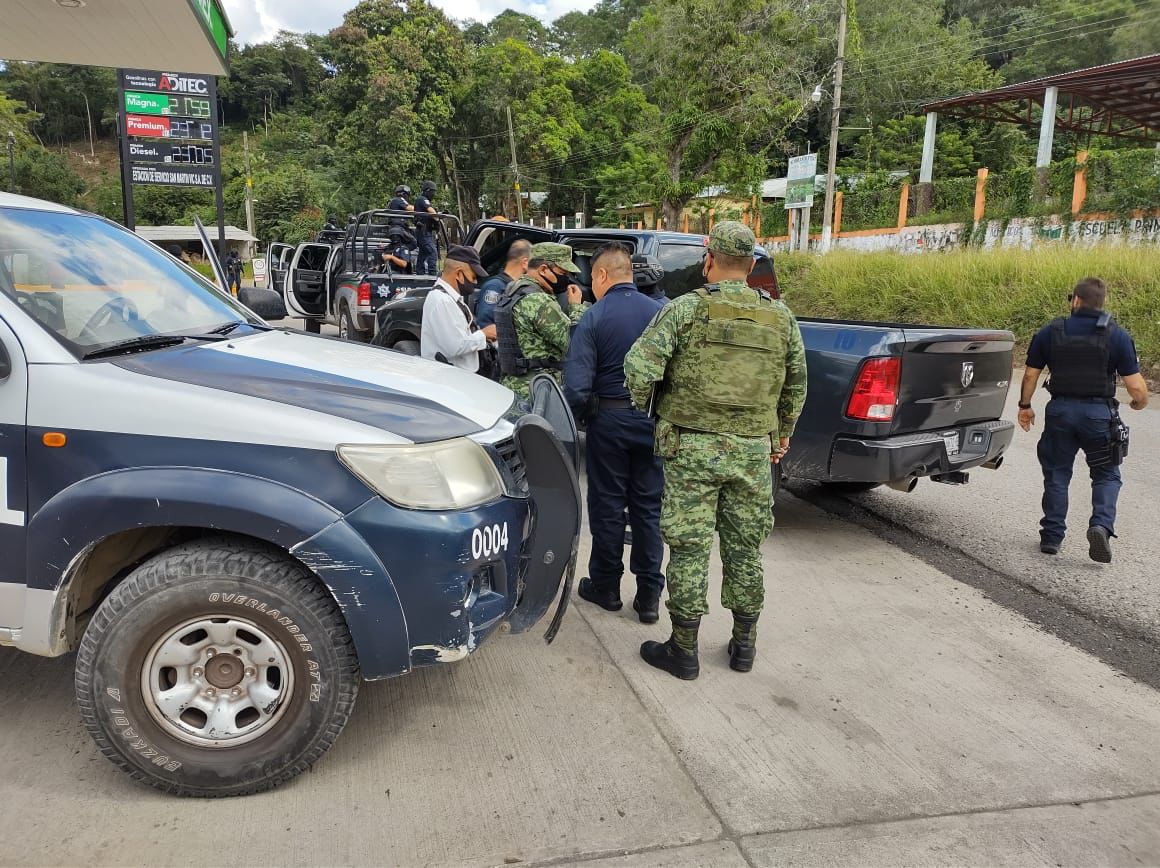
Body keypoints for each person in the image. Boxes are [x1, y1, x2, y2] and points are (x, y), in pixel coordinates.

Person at [624, 221, 807, 681]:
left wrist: (653, 410)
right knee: (746, 549)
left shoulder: (686, 310)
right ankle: (744, 646)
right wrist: (781, 435)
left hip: (692, 448)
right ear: (749, 266)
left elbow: (639, 366)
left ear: (709, 260)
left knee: (689, 548)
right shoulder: (781, 317)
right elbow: (796, 386)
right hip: (751, 452)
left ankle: (683, 651)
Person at [564, 242, 666, 623]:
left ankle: (605, 587)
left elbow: (576, 386)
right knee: (648, 507)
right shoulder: (662, 313)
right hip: (653, 423)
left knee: (607, 506)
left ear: (603, 275)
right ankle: (649, 596)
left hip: (609, 421)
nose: (591, 286)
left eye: (592, 278)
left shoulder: (593, 317)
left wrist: (575, 422)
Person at [1017, 276, 1149, 563]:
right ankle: (1100, 525)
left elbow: (1030, 373)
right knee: (1106, 474)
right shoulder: (1117, 335)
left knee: (1057, 474)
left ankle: (1052, 537)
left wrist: (1025, 405)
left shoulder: (1050, 331)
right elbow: (1137, 388)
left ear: (1076, 300)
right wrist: (1139, 404)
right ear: (1101, 303)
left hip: (1061, 412)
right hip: (1099, 414)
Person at [493, 242, 588, 400]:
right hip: (538, 391)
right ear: (543, 269)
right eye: (563, 273)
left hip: (513, 385)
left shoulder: (512, 289)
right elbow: (573, 345)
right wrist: (576, 307)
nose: (567, 279)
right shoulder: (539, 301)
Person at [420, 244, 495, 372]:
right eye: (473, 277)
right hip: (448, 379)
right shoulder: (442, 300)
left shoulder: (449, 298)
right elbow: (454, 346)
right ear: (459, 274)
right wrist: (483, 334)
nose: (475, 282)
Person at [476, 239, 531, 329]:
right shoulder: (495, 287)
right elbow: (487, 326)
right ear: (525, 263)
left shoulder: (520, 287)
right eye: (532, 263)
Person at [414, 180, 439, 276]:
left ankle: (420, 274)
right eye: (433, 191)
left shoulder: (422, 199)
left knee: (423, 253)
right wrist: (437, 218)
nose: (434, 194)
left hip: (424, 231)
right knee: (433, 252)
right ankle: (432, 275)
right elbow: (431, 211)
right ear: (427, 190)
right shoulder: (422, 199)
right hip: (423, 232)